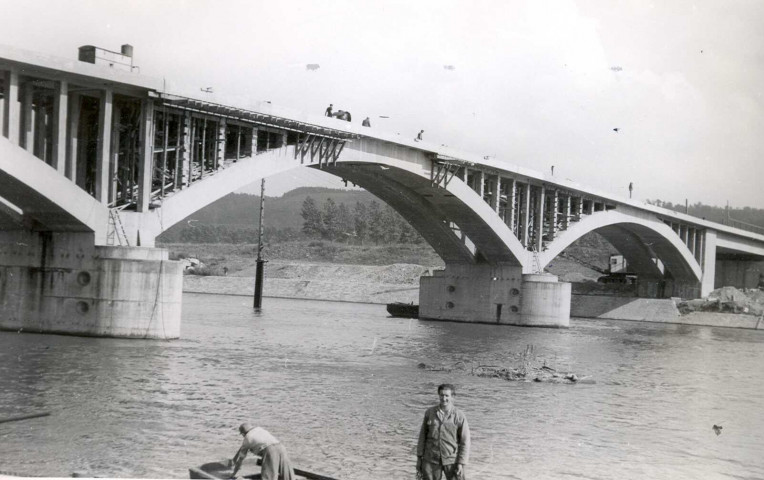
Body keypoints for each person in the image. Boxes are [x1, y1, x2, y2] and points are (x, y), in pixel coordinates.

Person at [416, 384, 470, 480]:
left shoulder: (460, 416)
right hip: (430, 459)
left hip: (452, 460)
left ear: (452, 397)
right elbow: (422, 437)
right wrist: (419, 458)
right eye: (441, 395)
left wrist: (461, 463)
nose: (443, 398)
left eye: (447, 395)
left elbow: (465, 442)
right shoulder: (429, 413)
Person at [230, 423, 295, 480]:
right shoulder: (259, 429)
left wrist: (234, 473)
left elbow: (241, 459)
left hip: (269, 450)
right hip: (280, 446)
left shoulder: (247, 438)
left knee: (269, 475)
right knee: (287, 473)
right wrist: (234, 459)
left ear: (243, 433)